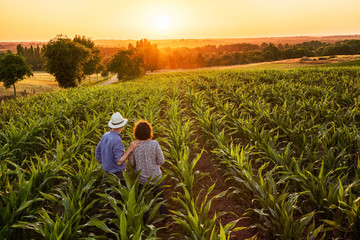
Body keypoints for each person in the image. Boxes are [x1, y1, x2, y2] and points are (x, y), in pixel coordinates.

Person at [129, 120, 169, 224]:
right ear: (149, 132)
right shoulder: (154, 144)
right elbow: (161, 161)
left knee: (144, 201)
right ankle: (166, 221)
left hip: (142, 180)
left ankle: (146, 224)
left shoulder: (134, 146)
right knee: (161, 198)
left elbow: (132, 163)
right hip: (156, 177)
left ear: (136, 132)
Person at [95, 112, 139, 180]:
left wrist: (105, 163)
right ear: (122, 126)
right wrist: (130, 148)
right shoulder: (117, 140)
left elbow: (97, 151)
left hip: (106, 173)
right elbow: (119, 161)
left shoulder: (105, 135)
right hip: (117, 175)